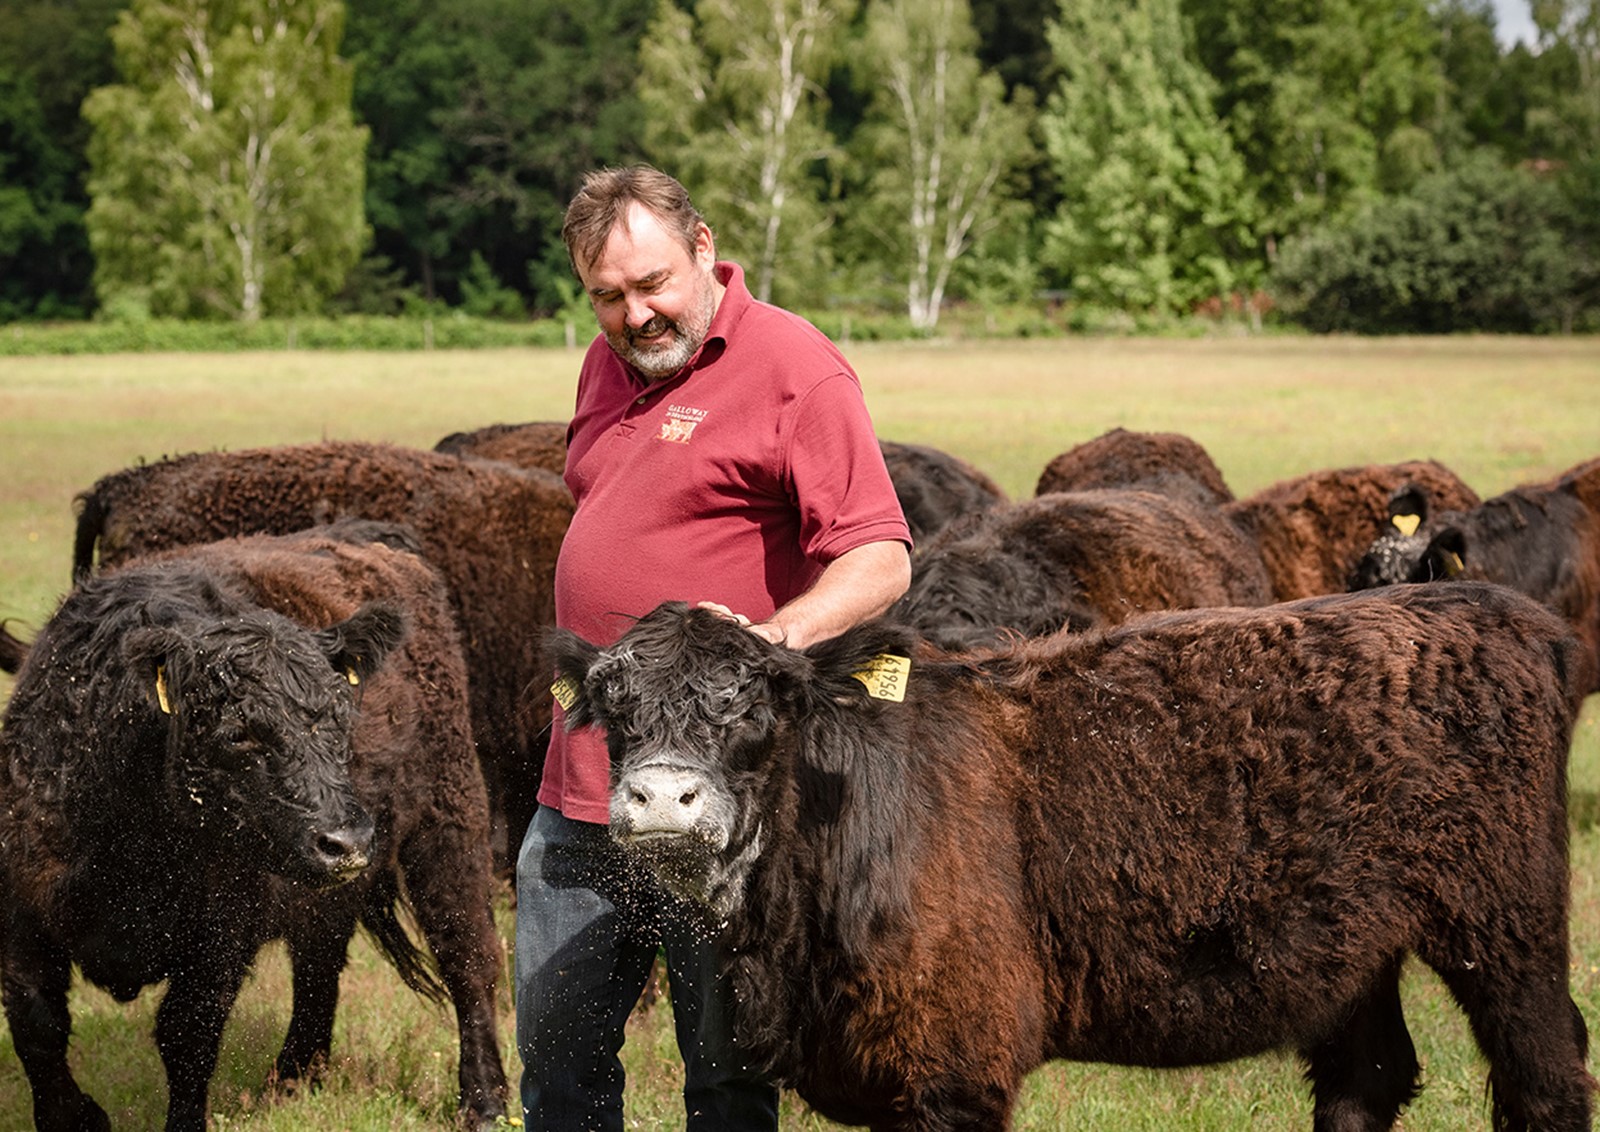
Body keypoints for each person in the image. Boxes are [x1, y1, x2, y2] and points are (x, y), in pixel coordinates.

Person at [515, 164, 912, 1130]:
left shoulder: (796, 369)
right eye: (606, 297)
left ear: (705, 249)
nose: (635, 315)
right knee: (556, 1065)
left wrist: (779, 636)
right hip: (583, 785)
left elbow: (880, 553)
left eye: (653, 286)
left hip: (717, 795)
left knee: (728, 1074)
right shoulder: (606, 362)